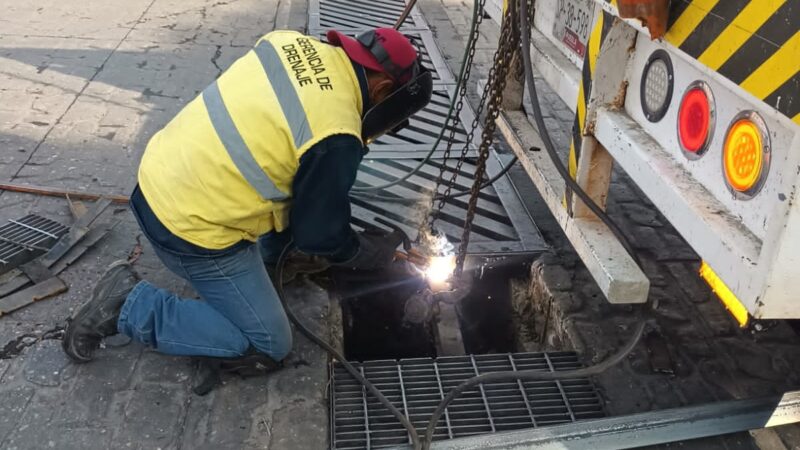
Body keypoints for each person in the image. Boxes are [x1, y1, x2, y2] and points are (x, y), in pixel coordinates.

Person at [61, 27, 433, 390]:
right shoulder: (336, 133)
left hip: (156, 180)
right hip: (189, 230)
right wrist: (358, 252)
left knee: (292, 169)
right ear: (383, 89)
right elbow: (320, 231)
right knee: (269, 344)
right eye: (394, 120)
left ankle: (276, 258)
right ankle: (129, 304)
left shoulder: (287, 42)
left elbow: (275, 149)